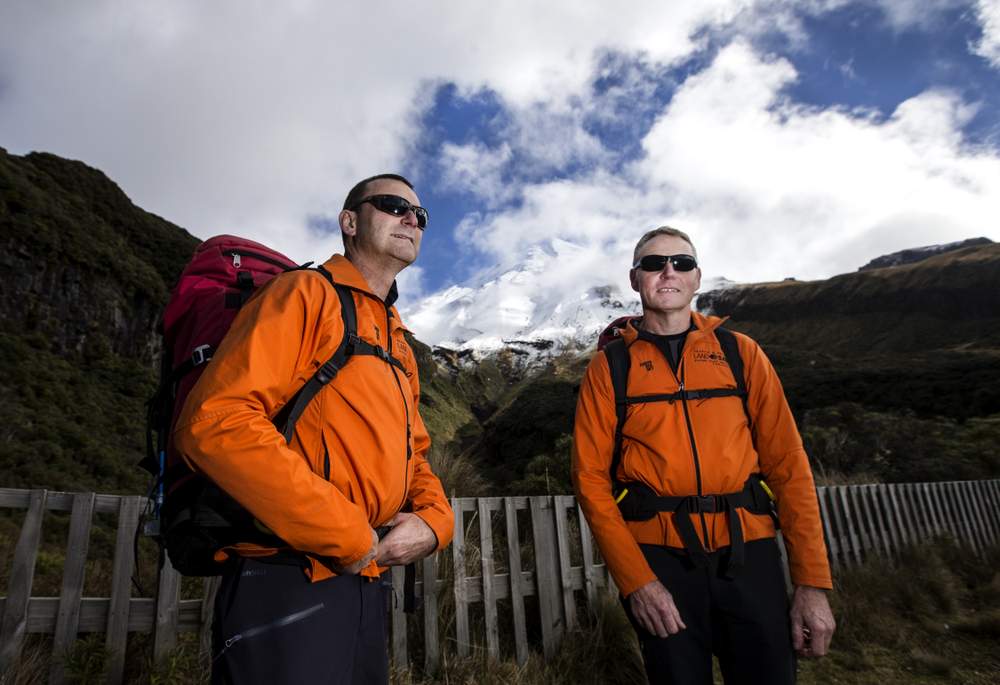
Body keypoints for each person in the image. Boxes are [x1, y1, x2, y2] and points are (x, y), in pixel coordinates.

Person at [173, 174, 454, 684]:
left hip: (367, 579)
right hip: (286, 574)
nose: (412, 219)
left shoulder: (397, 342)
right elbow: (216, 422)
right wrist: (348, 535)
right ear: (350, 221)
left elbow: (414, 457)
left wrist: (436, 524)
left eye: (420, 215)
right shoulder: (304, 294)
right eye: (393, 206)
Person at [572, 226, 835, 684]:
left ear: (697, 278)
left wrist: (811, 584)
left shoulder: (742, 353)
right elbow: (590, 480)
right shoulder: (609, 366)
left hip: (749, 552)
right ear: (635, 280)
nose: (668, 271)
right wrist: (637, 582)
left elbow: (789, 467)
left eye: (682, 262)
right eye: (653, 264)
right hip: (660, 559)